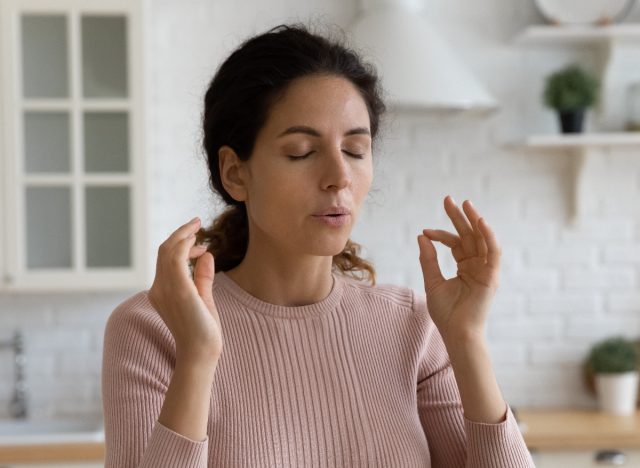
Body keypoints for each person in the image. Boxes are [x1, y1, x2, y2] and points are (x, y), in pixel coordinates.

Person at [101, 23, 535, 468]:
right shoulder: (154, 329)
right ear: (235, 172)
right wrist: (197, 356)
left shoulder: (411, 327)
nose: (339, 176)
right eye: (302, 152)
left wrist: (466, 340)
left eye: (354, 149)